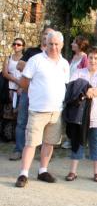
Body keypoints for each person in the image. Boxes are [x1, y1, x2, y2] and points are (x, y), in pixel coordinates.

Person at [14, 31, 70, 188]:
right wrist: (36, 95)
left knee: (49, 143)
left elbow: (64, 84)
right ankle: (23, 174)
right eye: (50, 43)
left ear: (62, 45)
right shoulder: (35, 60)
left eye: (56, 44)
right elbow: (24, 82)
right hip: (38, 110)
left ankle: (42, 171)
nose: (53, 47)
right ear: (46, 43)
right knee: (31, 143)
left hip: (56, 111)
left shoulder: (65, 63)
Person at [65, 47, 97, 182]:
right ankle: (73, 171)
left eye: (96, 58)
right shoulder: (79, 72)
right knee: (77, 141)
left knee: (96, 143)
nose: (93, 60)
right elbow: (72, 88)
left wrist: (88, 91)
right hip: (79, 116)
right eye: (91, 57)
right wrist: (86, 91)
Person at [9, 27, 54, 161]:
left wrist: (32, 68)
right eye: (45, 34)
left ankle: (43, 152)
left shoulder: (53, 54)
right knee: (22, 121)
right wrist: (37, 67)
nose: (47, 37)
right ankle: (19, 150)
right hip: (27, 91)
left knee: (45, 123)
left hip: (44, 94)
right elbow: (19, 66)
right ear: (41, 36)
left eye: (50, 35)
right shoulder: (31, 51)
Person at [2, 38, 25, 111]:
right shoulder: (8, 58)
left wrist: (21, 86)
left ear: (23, 47)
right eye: (14, 44)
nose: (16, 46)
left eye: (18, 45)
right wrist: (17, 81)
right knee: (6, 113)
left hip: (21, 88)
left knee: (18, 112)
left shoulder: (26, 59)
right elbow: (4, 73)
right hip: (9, 88)